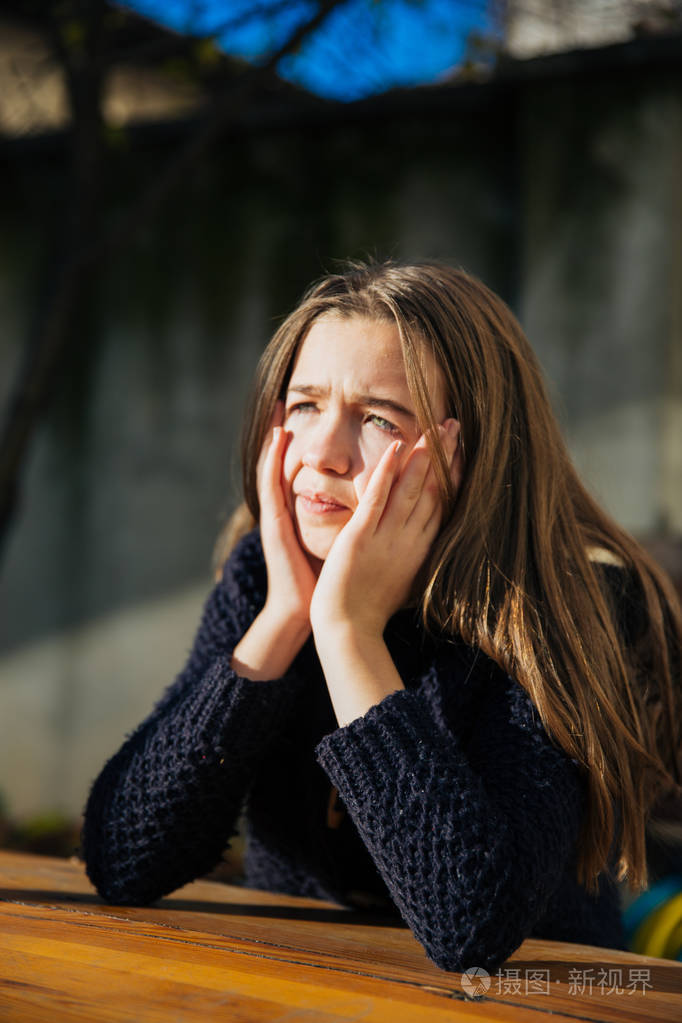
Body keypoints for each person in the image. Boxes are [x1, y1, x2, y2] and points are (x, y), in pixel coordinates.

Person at [82, 260, 682, 973]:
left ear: (469, 453)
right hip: (296, 990)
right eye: (303, 405)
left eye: (374, 417)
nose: (322, 453)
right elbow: (121, 857)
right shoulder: (267, 575)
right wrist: (283, 619)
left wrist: (348, 634)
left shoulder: (557, 611)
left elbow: (472, 927)